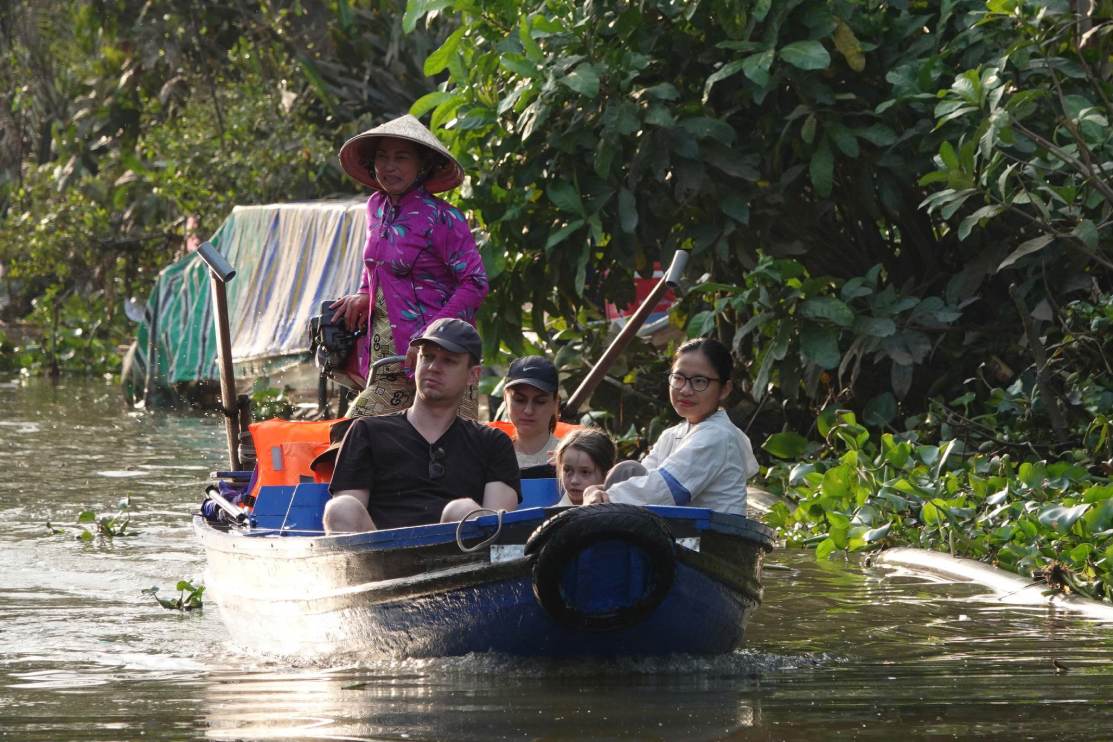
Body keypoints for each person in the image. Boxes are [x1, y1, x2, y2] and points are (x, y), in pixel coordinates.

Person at [331, 114, 488, 419]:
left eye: (401, 158)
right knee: (366, 440)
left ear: (423, 165)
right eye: (382, 157)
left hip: (440, 355)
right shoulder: (375, 206)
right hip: (387, 357)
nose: (389, 167)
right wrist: (364, 293)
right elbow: (374, 264)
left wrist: (430, 338)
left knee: (445, 446)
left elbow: (475, 282)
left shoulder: (443, 218)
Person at [324, 318, 519, 533]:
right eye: (427, 357)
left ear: (473, 375)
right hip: (378, 558)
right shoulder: (367, 431)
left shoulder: (492, 443)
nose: (434, 367)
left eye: (449, 361)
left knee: (463, 510)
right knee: (341, 508)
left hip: (459, 557)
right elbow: (347, 515)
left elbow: (497, 529)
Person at [582, 338, 757, 514]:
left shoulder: (718, 436)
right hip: (678, 537)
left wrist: (602, 498)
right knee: (627, 470)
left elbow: (662, 491)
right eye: (679, 378)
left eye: (699, 381)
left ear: (725, 389)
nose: (685, 390)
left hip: (710, 540)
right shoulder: (672, 435)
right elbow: (643, 478)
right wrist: (596, 491)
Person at [502, 356, 562, 471]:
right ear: (505, 399)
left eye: (540, 402)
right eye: (519, 400)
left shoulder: (572, 460)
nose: (528, 410)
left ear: (555, 403)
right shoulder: (491, 458)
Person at [553, 428, 616, 506]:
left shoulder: (623, 510)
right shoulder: (550, 516)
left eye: (585, 472)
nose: (574, 481)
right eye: (567, 470)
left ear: (606, 474)